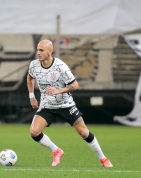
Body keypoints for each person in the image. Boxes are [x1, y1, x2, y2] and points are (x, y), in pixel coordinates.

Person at [27, 39, 113, 168]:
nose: (38, 52)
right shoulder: (34, 65)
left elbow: (75, 85)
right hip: (47, 106)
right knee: (34, 132)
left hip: (66, 105)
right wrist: (32, 96)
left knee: (83, 132)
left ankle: (103, 159)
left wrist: (58, 91)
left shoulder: (60, 66)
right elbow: (30, 77)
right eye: (37, 49)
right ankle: (56, 151)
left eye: (41, 50)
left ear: (50, 52)